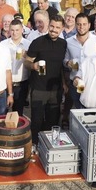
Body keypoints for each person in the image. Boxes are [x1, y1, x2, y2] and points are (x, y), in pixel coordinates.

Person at [25, 15, 67, 144]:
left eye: (57, 27)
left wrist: (64, 84)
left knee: (53, 121)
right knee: (36, 121)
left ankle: (48, 147)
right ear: (49, 25)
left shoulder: (63, 44)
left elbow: (62, 66)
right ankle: (34, 147)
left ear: (62, 29)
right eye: (52, 26)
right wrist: (33, 66)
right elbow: (26, 61)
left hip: (56, 90)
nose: (54, 30)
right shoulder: (38, 42)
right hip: (38, 88)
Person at [64, 13, 96, 110]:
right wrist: (67, 63)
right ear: (75, 25)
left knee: (89, 109)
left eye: (84, 24)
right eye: (78, 24)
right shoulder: (69, 42)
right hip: (75, 82)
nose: (81, 27)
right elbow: (64, 60)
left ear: (89, 25)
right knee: (77, 108)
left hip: (90, 82)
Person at [1, 19, 31, 117]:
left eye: (17, 30)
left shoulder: (28, 44)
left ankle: (15, 132)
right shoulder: (3, 45)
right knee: (2, 111)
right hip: (5, 83)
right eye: (12, 30)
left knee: (18, 113)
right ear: (9, 30)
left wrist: (26, 56)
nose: (15, 33)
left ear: (22, 30)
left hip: (21, 83)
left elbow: (32, 62)